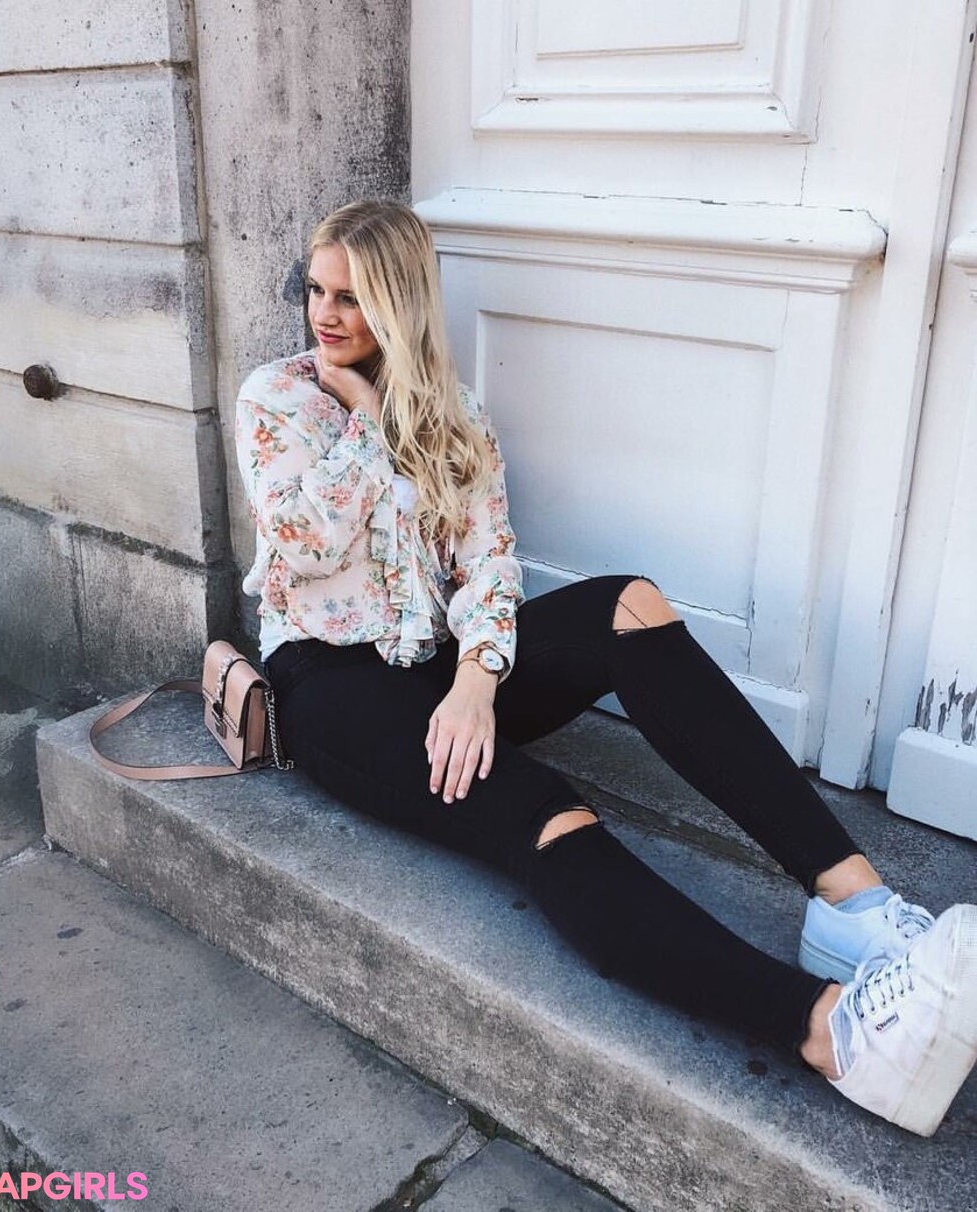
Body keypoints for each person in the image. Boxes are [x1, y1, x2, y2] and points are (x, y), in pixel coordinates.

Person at [235, 199, 977, 1138]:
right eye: (316, 291)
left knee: (630, 603)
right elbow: (301, 543)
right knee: (544, 811)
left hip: (442, 669)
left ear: (403, 303)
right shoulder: (277, 398)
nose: (325, 315)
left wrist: (475, 683)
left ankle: (854, 905)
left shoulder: (456, 415)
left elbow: (490, 564)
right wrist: (370, 420)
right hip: (330, 686)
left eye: (352, 298)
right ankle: (836, 1036)